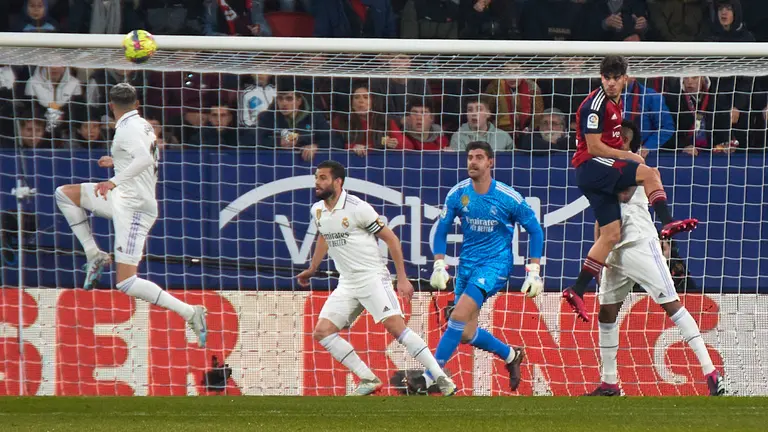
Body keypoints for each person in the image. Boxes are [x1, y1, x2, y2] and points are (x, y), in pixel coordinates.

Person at [53, 83, 208, 347]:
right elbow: (143, 156)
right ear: (137, 104)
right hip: (122, 198)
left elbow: (144, 160)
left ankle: (190, 312)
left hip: (135, 207)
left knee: (125, 282)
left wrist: (113, 180)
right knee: (65, 194)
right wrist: (116, 161)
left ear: (111, 106)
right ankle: (94, 253)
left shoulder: (127, 129)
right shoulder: (143, 124)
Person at [297, 160, 457, 397]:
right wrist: (312, 268)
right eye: (316, 178)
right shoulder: (317, 210)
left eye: (323, 178)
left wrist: (402, 278)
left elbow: (391, 239)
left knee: (396, 328)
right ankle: (368, 378)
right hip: (347, 283)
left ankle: (440, 377)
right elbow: (324, 235)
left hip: (372, 277)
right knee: (323, 332)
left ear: (338, 182)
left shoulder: (358, 208)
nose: (317, 183)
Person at [589, 120, 724, 397]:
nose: (611, 140)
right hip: (614, 249)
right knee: (606, 312)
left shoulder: (636, 165)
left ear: (627, 141)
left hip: (639, 243)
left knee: (671, 305)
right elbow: (600, 216)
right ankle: (609, 382)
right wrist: (598, 251)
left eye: (617, 137)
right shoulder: (606, 166)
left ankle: (710, 371)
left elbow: (623, 193)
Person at [563, 55, 698, 322]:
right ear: (601, 78)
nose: (611, 83)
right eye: (607, 78)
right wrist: (628, 156)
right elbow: (593, 147)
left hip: (595, 170)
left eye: (616, 78)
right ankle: (668, 223)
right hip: (592, 165)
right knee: (649, 172)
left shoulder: (616, 102)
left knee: (611, 234)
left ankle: (577, 289)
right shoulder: (595, 105)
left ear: (625, 78)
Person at [410, 141, 544, 394]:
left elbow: (535, 231)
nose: (473, 161)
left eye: (479, 157)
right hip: (467, 265)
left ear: (490, 162)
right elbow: (442, 230)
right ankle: (511, 354)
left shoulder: (508, 197)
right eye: (470, 157)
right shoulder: (458, 194)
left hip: (495, 265)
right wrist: (439, 264)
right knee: (465, 333)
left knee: (457, 316)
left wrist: (534, 271)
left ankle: (430, 377)